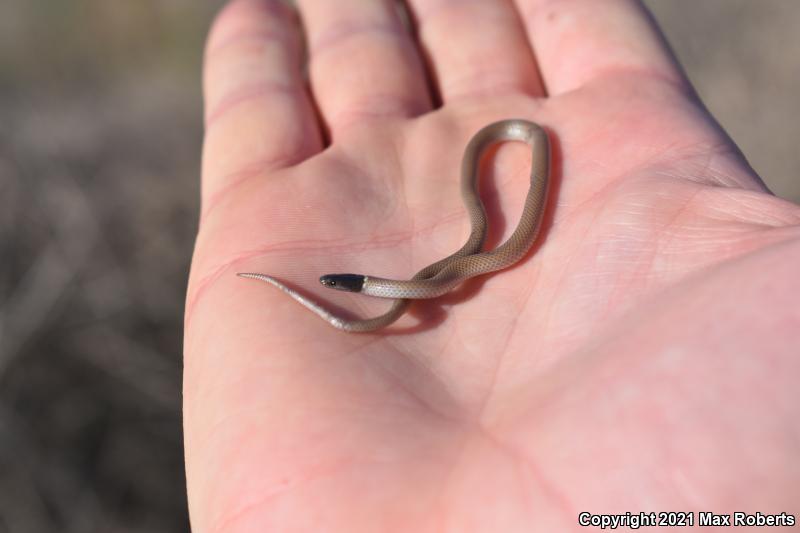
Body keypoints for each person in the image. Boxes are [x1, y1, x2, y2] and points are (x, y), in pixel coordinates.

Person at [184, 0, 800, 530]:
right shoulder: (425, 279)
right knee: (471, 235)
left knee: (475, 234)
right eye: (346, 285)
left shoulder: (453, 257)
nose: (350, 288)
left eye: (347, 285)